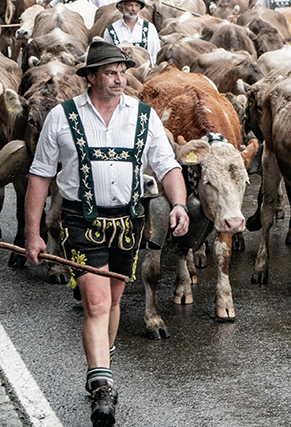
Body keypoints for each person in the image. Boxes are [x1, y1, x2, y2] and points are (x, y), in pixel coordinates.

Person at [24, 41, 190, 426]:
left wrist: (178, 203)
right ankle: (102, 387)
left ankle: (104, 361)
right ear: (92, 76)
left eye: (123, 71)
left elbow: (167, 167)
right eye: (111, 72)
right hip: (81, 220)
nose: (120, 78)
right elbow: (40, 176)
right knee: (96, 303)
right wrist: (32, 233)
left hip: (129, 221)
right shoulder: (62, 117)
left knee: (114, 300)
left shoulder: (144, 116)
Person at [102, 0, 161, 66]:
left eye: (136, 5)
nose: (133, 9)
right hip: (120, 74)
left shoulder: (150, 28)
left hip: (145, 73)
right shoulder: (111, 30)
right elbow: (106, 56)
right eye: (130, 5)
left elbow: (156, 54)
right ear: (121, 7)